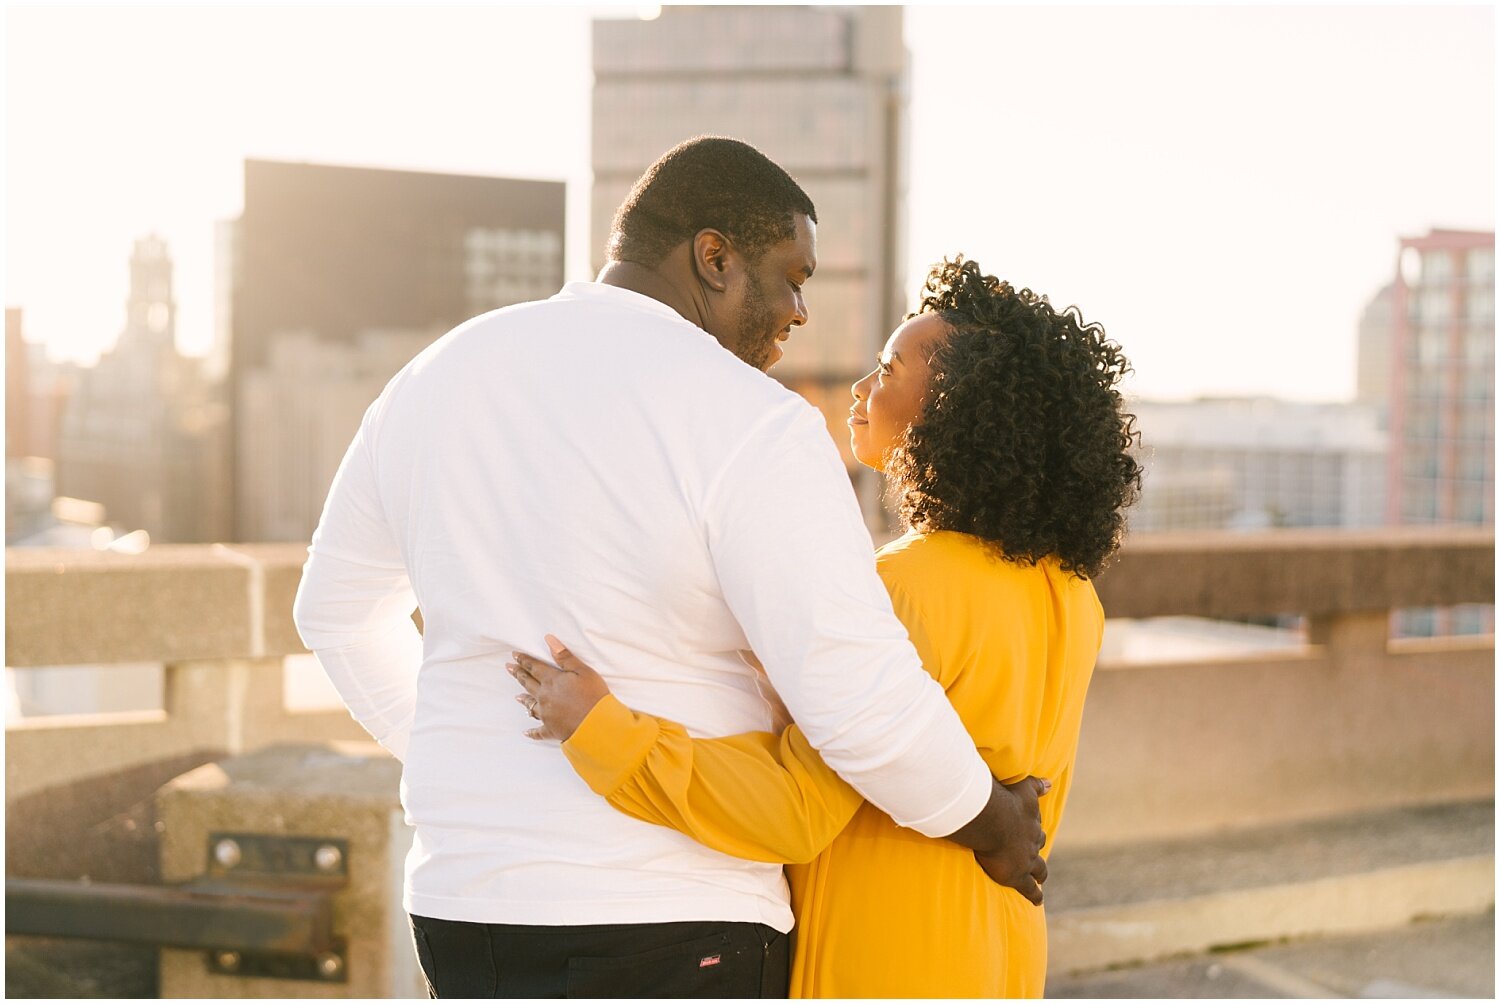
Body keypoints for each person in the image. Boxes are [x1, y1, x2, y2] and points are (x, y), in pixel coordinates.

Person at [293, 138, 1048, 998]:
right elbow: (855, 690)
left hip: (464, 908)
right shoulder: (750, 420)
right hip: (674, 911)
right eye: (792, 276)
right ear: (714, 257)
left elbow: (336, 614)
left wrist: (464, 758)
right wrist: (991, 820)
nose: (800, 312)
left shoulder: (435, 376)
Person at [509, 256, 1143, 997]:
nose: (863, 389)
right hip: (1000, 950)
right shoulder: (1070, 593)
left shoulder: (907, 585)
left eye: (890, 368)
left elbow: (794, 811)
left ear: (960, 407)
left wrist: (602, 728)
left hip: (888, 957)